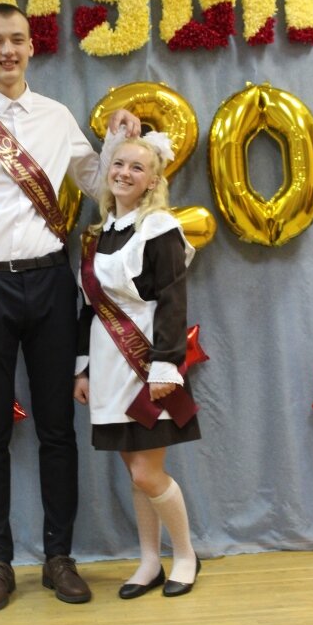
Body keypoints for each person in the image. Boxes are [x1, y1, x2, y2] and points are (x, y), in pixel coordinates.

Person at [0, 2, 140, 612]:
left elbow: (97, 185)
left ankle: (59, 559)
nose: (8, 51)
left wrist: (119, 139)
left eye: (17, 39)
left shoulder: (56, 116)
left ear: (31, 46)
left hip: (49, 282)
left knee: (56, 429)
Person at [73, 132, 202, 598]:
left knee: (148, 472)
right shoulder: (96, 235)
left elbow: (172, 298)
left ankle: (185, 555)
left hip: (147, 361)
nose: (124, 173)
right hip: (108, 366)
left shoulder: (160, 228)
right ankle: (149, 561)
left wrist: (166, 365)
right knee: (135, 472)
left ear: (152, 181)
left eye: (137, 167)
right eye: (119, 163)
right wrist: (83, 368)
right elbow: (89, 308)